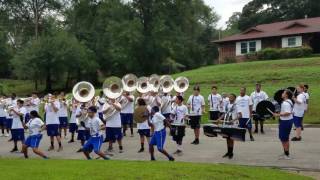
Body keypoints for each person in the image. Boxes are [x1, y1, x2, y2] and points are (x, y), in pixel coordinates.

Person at [272, 89, 294, 160]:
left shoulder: (285, 103)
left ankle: (287, 155)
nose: (282, 94)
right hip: (288, 121)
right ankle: (286, 152)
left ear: (286, 95)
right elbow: (290, 112)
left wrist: (277, 114)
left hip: (285, 122)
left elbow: (287, 112)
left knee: (284, 138)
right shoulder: (289, 101)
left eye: (284, 93)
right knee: (285, 138)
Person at [220, 93, 238, 159]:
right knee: (227, 138)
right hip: (226, 123)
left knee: (231, 138)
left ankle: (231, 153)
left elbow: (240, 115)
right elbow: (225, 113)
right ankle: (228, 152)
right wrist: (219, 119)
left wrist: (233, 120)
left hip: (232, 124)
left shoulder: (236, 105)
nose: (230, 98)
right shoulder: (227, 104)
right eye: (229, 97)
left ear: (234, 98)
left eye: (232, 97)